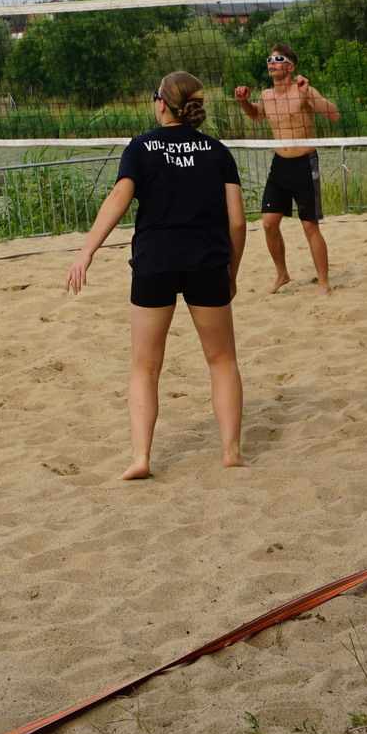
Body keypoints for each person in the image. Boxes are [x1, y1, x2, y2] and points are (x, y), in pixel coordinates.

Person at [66, 71, 247, 481]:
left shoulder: (141, 147)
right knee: (222, 361)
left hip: (155, 262)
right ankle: (231, 453)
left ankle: (141, 458)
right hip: (207, 262)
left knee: (145, 367)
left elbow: (117, 198)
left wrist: (86, 252)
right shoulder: (217, 151)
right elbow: (237, 223)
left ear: (161, 103)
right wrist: (231, 272)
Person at [232, 44, 340, 293]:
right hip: (279, 164)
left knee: (309, 225)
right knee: (269, 223)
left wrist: (309, 95)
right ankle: (282, 274)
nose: (271, 62)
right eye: (269, 59)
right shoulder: (267, 95)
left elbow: (333, 115)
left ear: (289, 66)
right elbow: (256, 115)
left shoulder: (303, 89)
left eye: (278, 59)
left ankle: (323, 282)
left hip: (304, 163)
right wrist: (244, 102)